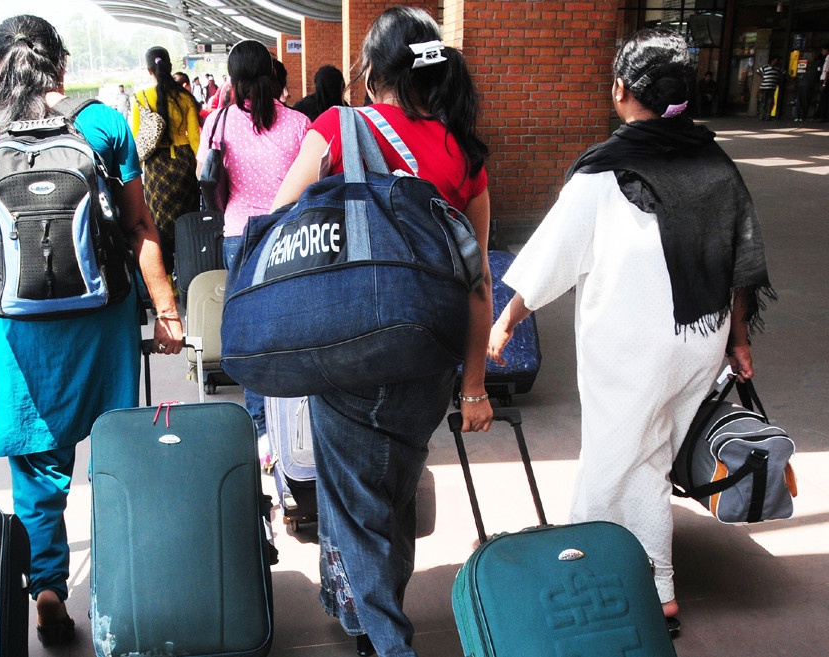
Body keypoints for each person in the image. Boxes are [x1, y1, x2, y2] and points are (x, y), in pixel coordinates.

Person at [486, 27, 774, 637]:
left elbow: (550, 259)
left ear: (621, 90)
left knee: (613, 463)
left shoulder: (603, 174)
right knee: (647, 456)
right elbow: (739, 262)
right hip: (700, 341)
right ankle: (655, 584)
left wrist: (507, 320)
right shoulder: (714, 163)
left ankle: (595, 582)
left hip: (632, 347)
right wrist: (738, 339)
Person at [0, 15, 184, 647]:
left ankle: (49, 588)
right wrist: (167, 312)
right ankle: (120, 586)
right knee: (116, 451)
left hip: (19, 331)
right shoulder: (103, 123)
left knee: (36, 466)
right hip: (102, 321)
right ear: (62, 62)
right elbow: (139, 227)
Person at [271, 8, 493, 656]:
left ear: (372, 73)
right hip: (430, 354)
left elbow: (281, 219)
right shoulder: (460, 151)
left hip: (351, 349)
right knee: (392, 490)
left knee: (355, 505)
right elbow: (478, 280)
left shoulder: (337, 129)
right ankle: (365, 611)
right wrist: (474, 385)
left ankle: (386, 639)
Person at [197, 39, 310, 447]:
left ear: (232, 79)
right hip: (291, 234)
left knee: (251, 331)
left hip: (239, 235)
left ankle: (261, 431)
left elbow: (204, 173)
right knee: (294, 327)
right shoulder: (299, 123)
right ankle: (299, 427)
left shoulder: (218, 122)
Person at [133, 47, 201, 274]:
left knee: (159, 224)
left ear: (148, 70)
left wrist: (136, 174)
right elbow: (195, 138)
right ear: (170, 66)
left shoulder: (141, 98)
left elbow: (138, 138)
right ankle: (188, 275)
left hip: (156, 167)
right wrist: (200, 170)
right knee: (186, 220)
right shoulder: (185, 97)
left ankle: (168, 279)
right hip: (184, 164)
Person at [756, 55, 783, 121]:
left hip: (772, 87)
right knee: (763, 101)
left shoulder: (778, 68)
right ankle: (762, 115)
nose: (776, 62)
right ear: (772, 61)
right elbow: (757, 71)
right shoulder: (765, 67)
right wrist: (763, 77)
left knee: (770, 102)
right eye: (775, 60)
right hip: (764, 87)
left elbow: (783, 72)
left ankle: (768, 115)